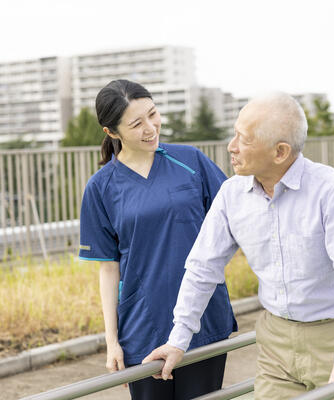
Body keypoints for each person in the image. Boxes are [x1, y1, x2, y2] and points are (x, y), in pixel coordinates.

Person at [143, 92, 334, 400]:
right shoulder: (231, 195)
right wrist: (178, 340)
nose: (232, 147)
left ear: (280, 152)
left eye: (243, 139)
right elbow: (202, 269)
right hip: (275, 342)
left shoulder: (332, 191)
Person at [78, 79, 237, 400]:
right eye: (136, 124)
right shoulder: (101, 188)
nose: (151, 128)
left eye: (153, 114)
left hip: (203, 317)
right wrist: (112, 341)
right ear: (112, 132)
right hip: (143, 326)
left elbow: (235, 220)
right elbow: (109, 269)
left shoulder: (190, 161)